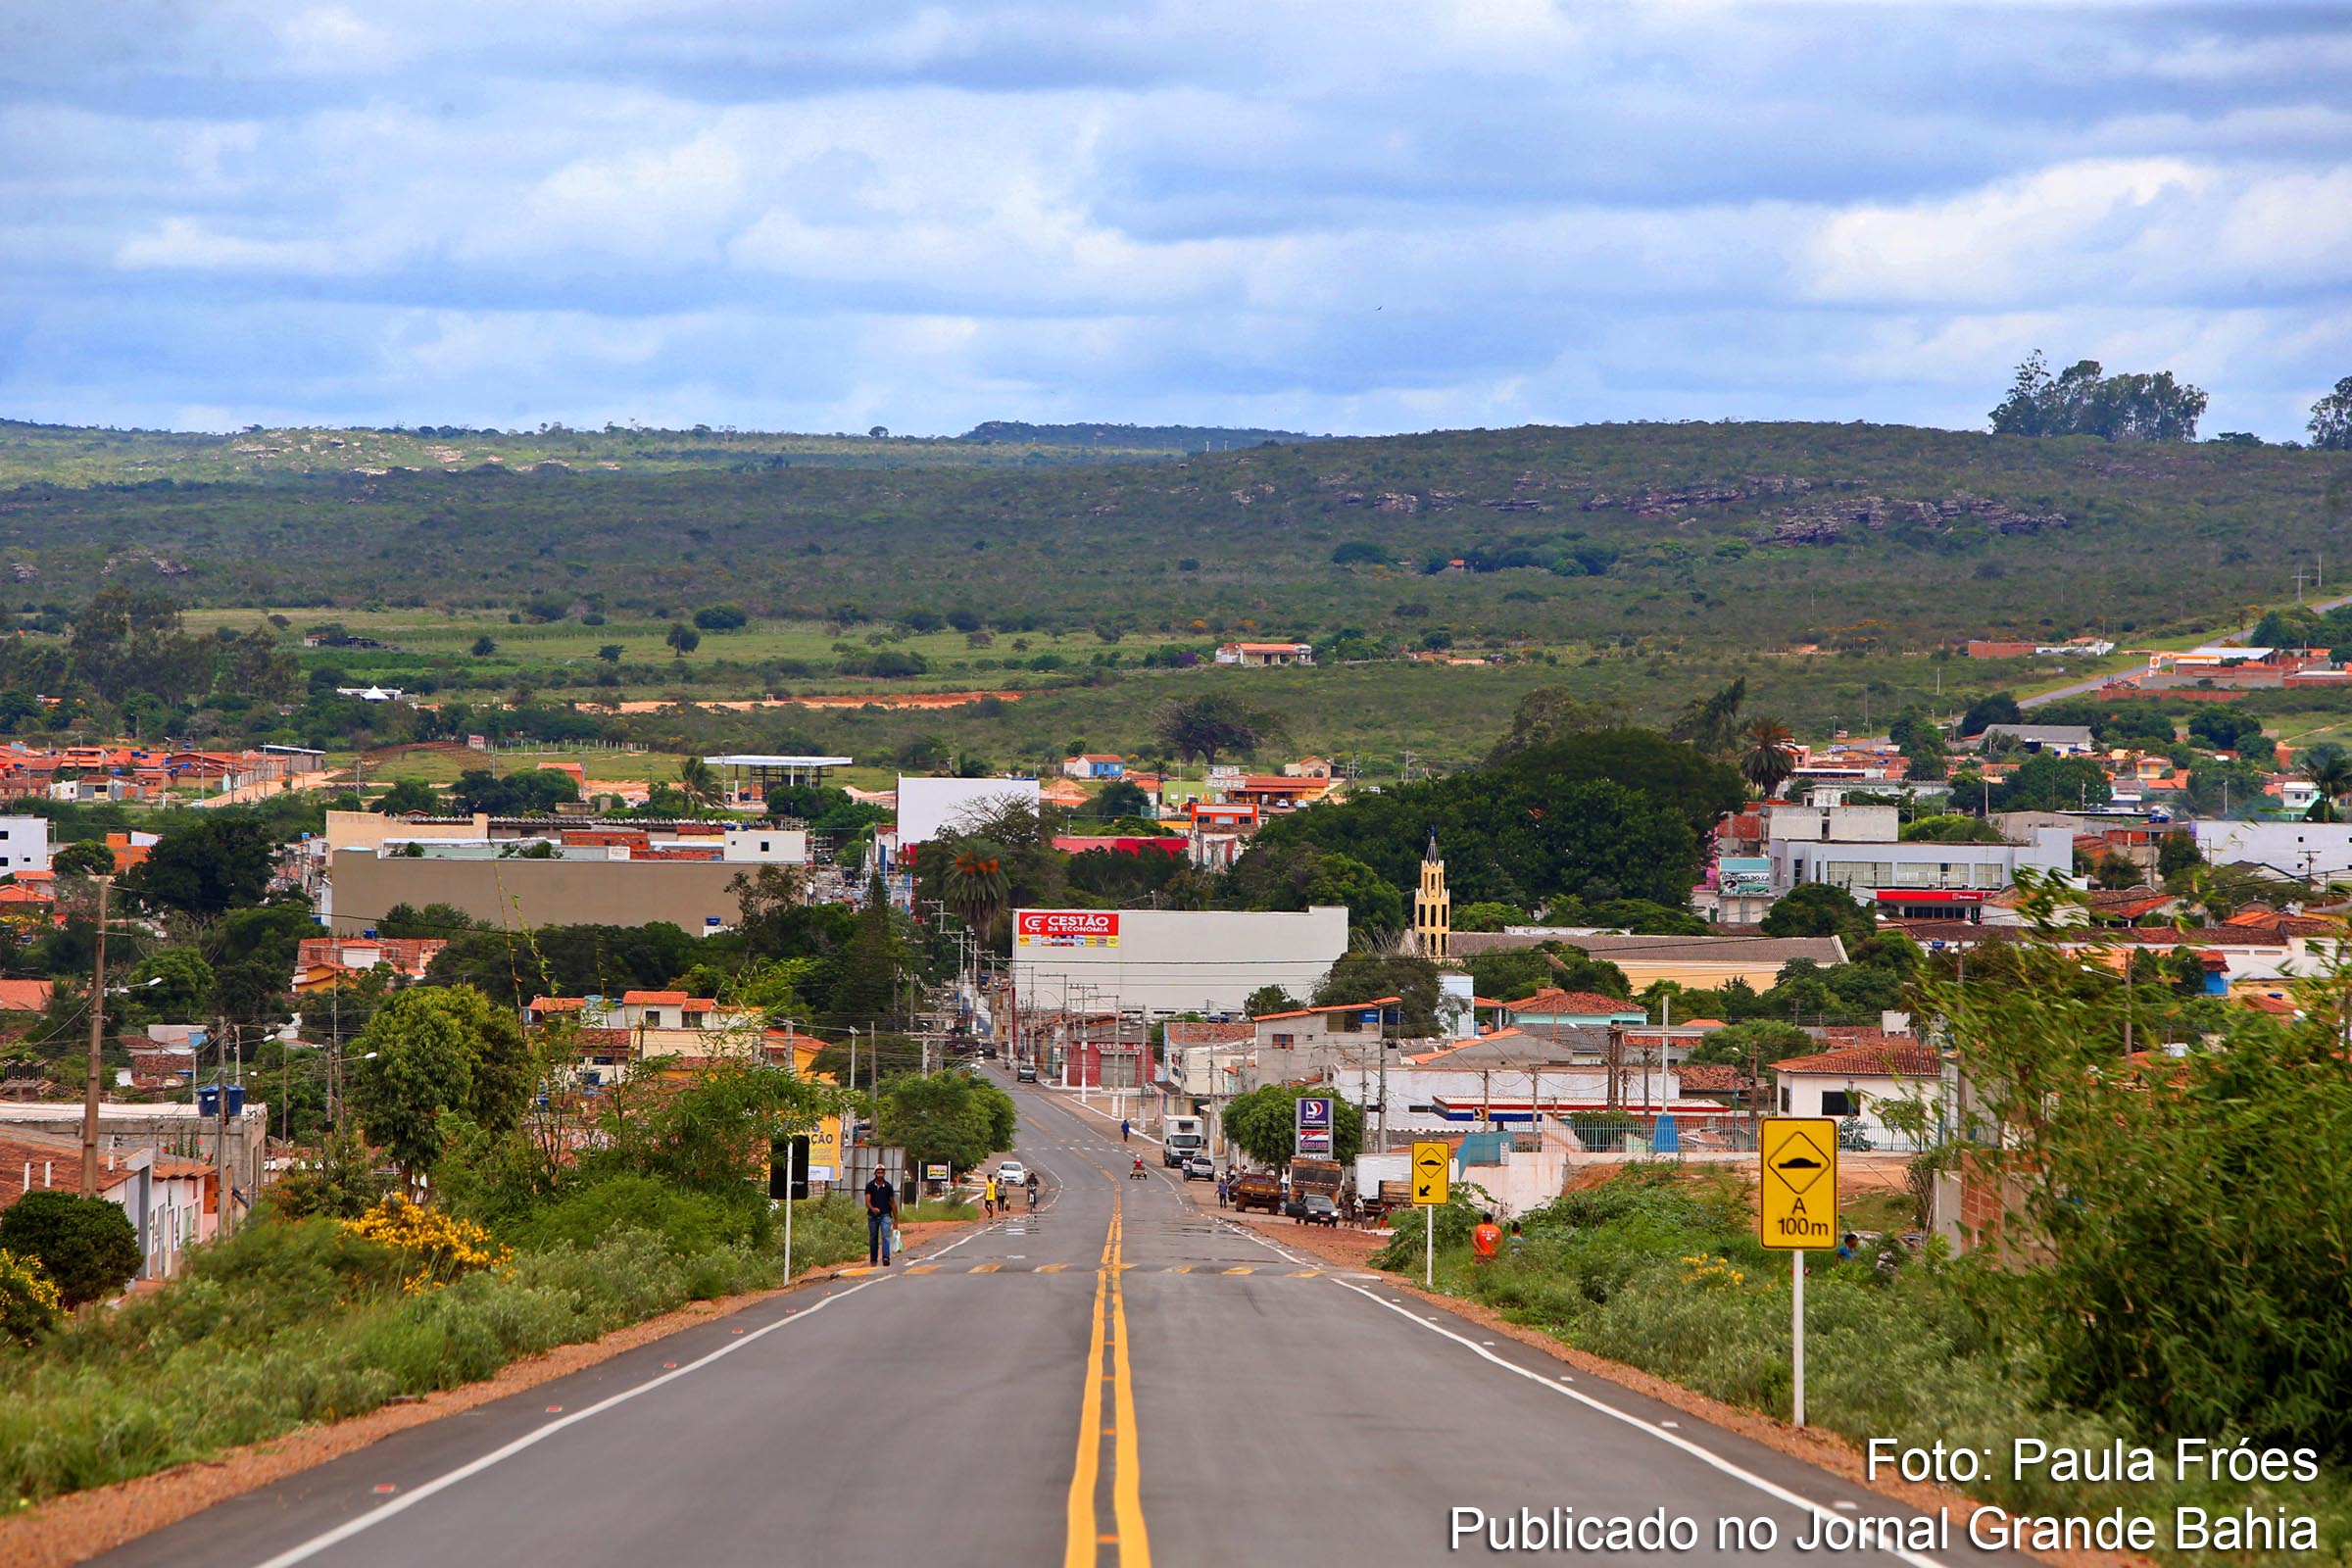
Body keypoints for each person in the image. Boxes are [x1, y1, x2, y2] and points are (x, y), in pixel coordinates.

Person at [864, 1167, 899, 1266]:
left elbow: (892, 1203)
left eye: (882, 1173)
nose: (880, 1174)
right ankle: (873, 1260)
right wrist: (873, 1209)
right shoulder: (870, 1186)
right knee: (873, 1238)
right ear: (875, 1173)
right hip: (872, 1216)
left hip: (885, 1215)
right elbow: (867, 1201)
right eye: (878, 1172)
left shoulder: (888, 1186)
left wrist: (896, 1220)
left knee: (885, 1236)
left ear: (884, 1174)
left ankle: (886, 1257)